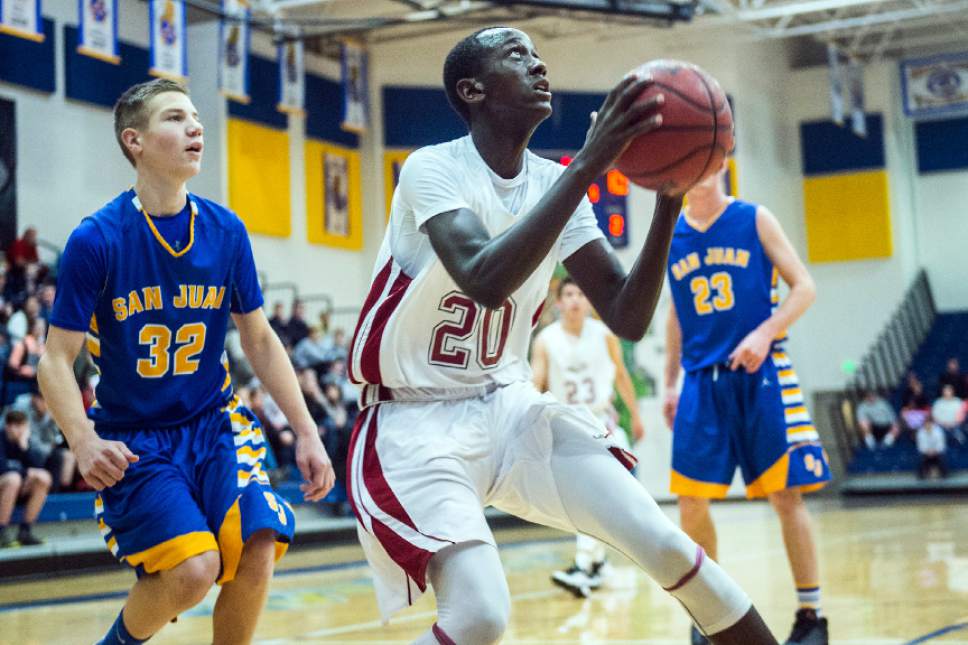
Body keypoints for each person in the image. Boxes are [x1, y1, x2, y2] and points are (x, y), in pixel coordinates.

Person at [345, 26, 776, 645]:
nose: (538, 65)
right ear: (472, 90)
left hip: (506, 402)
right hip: (412, 422)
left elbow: (627, 317)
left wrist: (668, 202)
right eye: (516, 55)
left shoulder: (555, 184)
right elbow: (484, 279)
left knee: (666, 544)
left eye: (537, 53)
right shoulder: (430, 168)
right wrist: (590, 165)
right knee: (479, 618)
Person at [37, 79, 335, 645]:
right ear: (136, 141)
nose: (195, 127)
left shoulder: (225, 230)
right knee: (192, 571)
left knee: (257, 544)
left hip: (214, 424)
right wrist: (81, 440)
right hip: (137, 439)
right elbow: (56, 359)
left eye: (195, 117)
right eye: (175, 118)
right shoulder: (95, 239)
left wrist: (307, 432)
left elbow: (261, 340)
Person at [663, 163, 830, 645]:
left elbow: (804, 287)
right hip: (701, 381)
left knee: (786, 496)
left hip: (761, 375)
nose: (699, 169)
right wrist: (671, 382)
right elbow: (675, 312)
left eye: (707, 158)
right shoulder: (672, 236)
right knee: (690, 502)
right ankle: (710, 615)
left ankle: (811, 615)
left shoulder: (755, 218)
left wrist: (765, 332)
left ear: (721, 163)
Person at [532, 276, 645, 598]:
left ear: (588, 301)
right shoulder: (546, 340)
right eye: (569, 294)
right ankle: (597, 562)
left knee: (595, 497)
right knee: (588, 503)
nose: (575, 300)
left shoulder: (604, 334)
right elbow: (536, 382)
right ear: (558, 301)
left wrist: (635, 414)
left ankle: (584, 566)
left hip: (603, 423)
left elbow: (622, 376)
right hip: (566, 425)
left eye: (581, 293)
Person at [0, 409, 50, 547]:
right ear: (8, 426)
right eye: (17, 426)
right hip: (5, 483)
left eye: (23, 426)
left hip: (16, 486)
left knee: (44, 478)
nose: (21, 430)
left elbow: (38, 466)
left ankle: (25, 531)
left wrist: (24, 446)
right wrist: (26, 473)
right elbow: (2, 468)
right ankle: (1, 532)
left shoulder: (24, 441)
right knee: (13, 479)